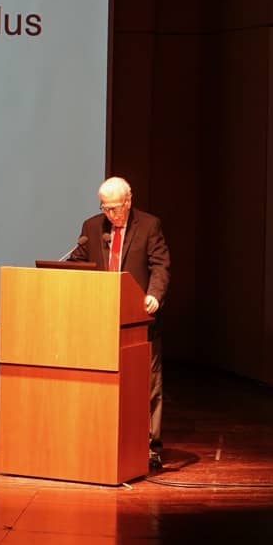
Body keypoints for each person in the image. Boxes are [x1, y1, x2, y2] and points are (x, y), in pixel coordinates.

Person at [66, 176, 171, 469]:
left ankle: (150, 447)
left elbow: (160, 266)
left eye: (115, 208)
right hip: (100, 320)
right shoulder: (91, 227)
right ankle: (101, 440)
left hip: (140, 319)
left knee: (148, 385)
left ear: (128, 201)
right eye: (105, 208)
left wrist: (154, 295)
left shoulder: (149, 226)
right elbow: (79, 262)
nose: (111, 214)